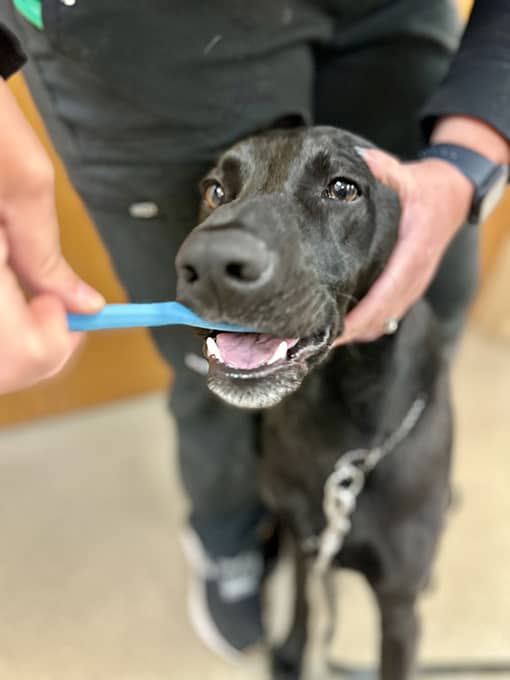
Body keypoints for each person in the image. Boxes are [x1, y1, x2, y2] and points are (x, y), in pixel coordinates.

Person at [0, 0, 509, 659]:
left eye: (344, 190)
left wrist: (466, 163)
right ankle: (230, 533)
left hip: (388, 7)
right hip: (135, 28)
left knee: (436, 288)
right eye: (220, 191)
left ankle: (409, 485)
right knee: (204, 364)